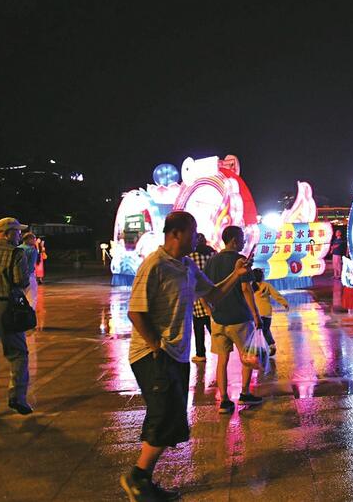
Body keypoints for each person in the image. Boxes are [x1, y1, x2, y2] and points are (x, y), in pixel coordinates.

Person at [121, 211, 253, 502]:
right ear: (176, 233)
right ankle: (137, 478)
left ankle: (143, 482)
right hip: (152, 354)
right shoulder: (154, 265)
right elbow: (135, 311)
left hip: (176, 355)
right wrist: (156, 346)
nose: (197, 237)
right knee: (164, 413)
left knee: (173, 419)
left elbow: (214, 296)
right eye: (193, 232)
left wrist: (237, 274)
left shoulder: (187, 266)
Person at [204, 226, 262, 414]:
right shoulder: (240, 261)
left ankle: (224, 400)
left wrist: (209, 312)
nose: (244, 242)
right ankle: (244, 393)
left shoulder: (211, 261)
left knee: (222, 360)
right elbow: (246, 289)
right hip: (239, 318)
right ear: (234, 240)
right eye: (242, 238)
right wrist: (255, 314)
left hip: (218, 319)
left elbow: (205, 290)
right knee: (247, 357)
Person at [0, 217, 32, 418]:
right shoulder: (16, 253)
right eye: (17, 232)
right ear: (7, 233)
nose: (20, 236)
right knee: (18, 353)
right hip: (6, 307)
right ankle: (17, 396)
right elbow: (21, 281)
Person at [188, 233, 216, 363]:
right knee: (213, 327)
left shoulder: (190, 257)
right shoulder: (214, 254)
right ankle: (221, 349)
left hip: (197, 298)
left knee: (198, 328)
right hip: (213, 295)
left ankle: (201, 354)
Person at [251, 268, 289, 357]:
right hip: (266, 312)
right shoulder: (266, 285)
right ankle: (271, 345)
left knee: (255, 331)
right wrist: (284, 303)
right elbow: (276, 295)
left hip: (256, 313)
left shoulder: (251, 287)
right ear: (262, 277)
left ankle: (258, 349)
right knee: (266, 330)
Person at [18, 232, 39, 308]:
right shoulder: (32, 250)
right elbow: (31, 265)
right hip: (28, 276)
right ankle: (30, 316)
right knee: (31, 299)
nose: (35, 241)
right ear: (29, 239)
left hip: (17, 277)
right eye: (34, 239)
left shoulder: (17, 248)